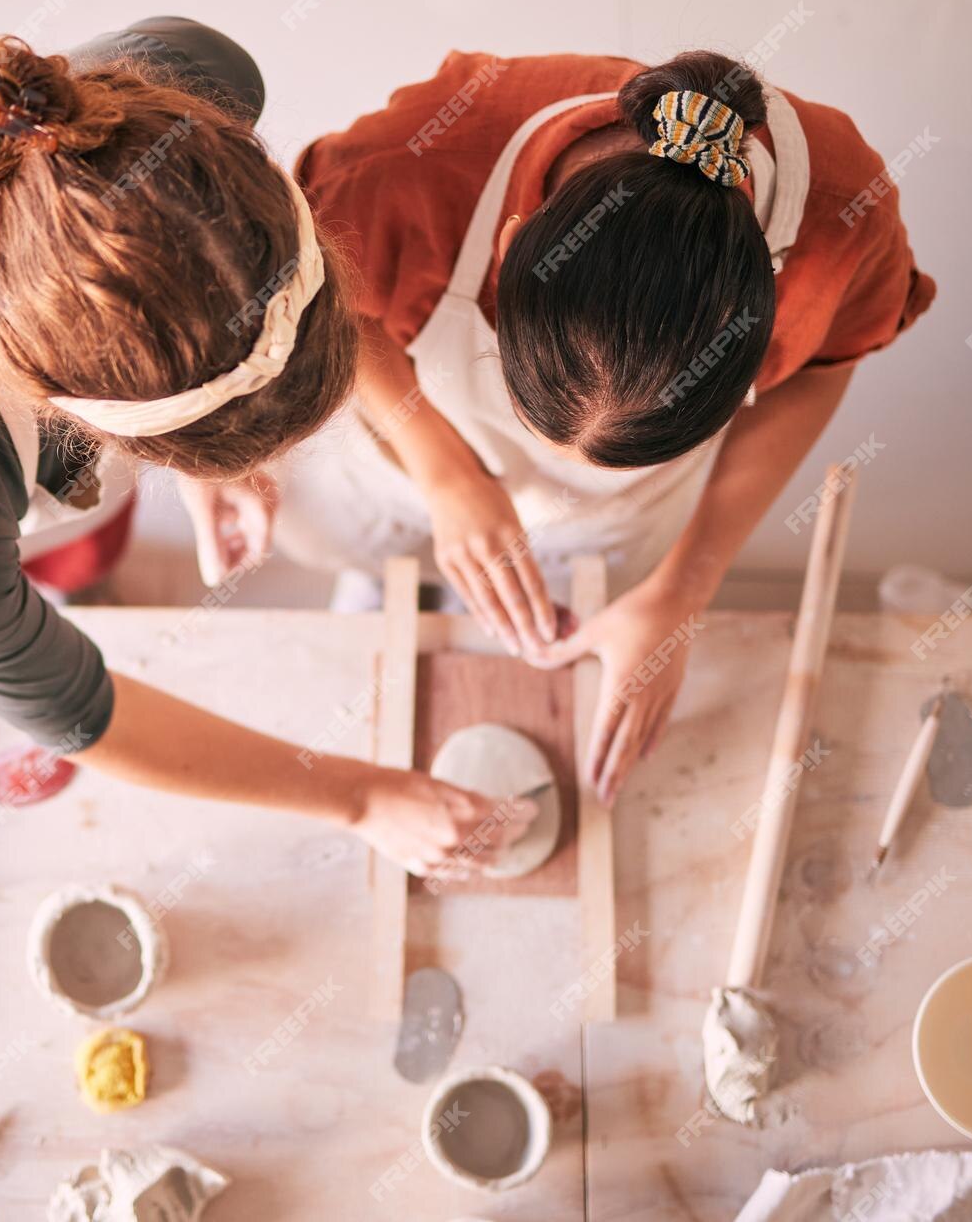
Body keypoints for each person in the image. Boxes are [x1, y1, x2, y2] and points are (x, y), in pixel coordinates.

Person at [0, 20, 526, 877]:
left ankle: (84, 578)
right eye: (177, 453)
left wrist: (225, 460)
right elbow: (76, 712)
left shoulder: (194, 76)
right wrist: (362, 798)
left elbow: (206, 298)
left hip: (3, 369)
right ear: (78, 410)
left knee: (86, 549)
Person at [278, 49, 934, 806]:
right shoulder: (417, 155)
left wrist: (682, 591)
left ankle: (468, 600)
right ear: (507, 241)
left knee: (540, 611)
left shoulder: (847, 216)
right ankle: (383, 580)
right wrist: (444, 469)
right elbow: (321, 287)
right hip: (406, 450)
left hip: (610, 524)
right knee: (368, 546)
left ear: (763, 330)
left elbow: (824, 368)